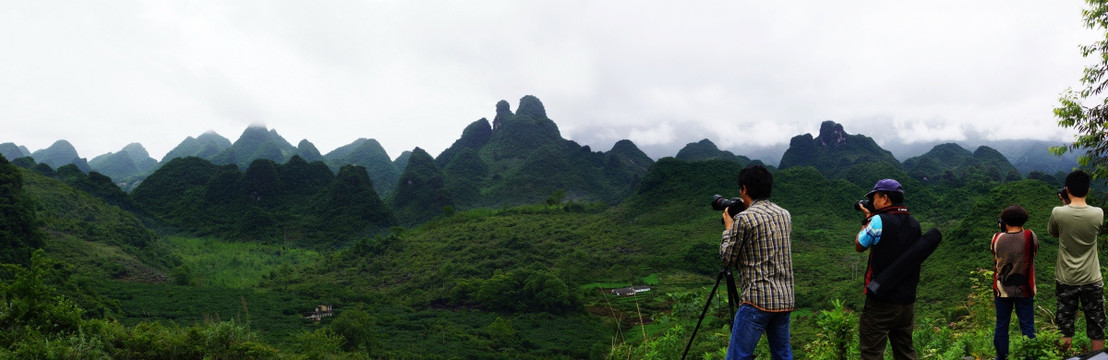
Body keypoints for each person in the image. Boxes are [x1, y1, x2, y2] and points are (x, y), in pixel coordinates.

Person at [720, 165, 794, 360]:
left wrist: (728, 228)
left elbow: (727, 258)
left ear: (744, 189)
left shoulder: (744, 219)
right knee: (782, 355)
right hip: (784, 300)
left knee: (738, 356)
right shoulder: (784, 214)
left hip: (757, 300)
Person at [855, 178, 922, 360]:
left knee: (872, 352)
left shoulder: (878, 221)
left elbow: (859, 245)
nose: (873, 202)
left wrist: (866, 219)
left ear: (884, 198)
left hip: (881, 301)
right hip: (907, 303)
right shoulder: (915, 224)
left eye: (875, 197)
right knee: (905, 352)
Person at [1048, 169, 1105, 352]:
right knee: (1096, 327)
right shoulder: (1098, 213)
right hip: (1092, 279)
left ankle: (1065, 356)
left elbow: (1054, 233)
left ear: (1066, 190)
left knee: (1065, 326)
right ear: (1088, 190)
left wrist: (1065, 203)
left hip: (1067, 279)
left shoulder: (1058, 212)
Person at [991, 205, 1038, 360]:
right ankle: (1030, 356)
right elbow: (1034, 252)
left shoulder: (996, 238)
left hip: (1002, 290)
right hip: (1024, 290)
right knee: (1027, 325)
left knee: (1002, 324)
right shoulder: (1030, 236)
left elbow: (995, 255)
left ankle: (1001, 356)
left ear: (1004, 222)